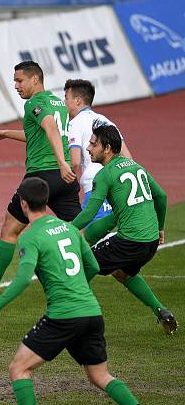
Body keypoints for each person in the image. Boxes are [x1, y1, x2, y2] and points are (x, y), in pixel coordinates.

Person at [0, 177, 163, 405]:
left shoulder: (30, 236)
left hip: (63, 315)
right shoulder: (69, 229)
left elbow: (22, 279)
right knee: (101, 376)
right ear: (46, 201)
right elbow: (91, 264)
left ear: (24, 204)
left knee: (19, 368)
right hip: (91, 312)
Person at [0, 61, 80, 305]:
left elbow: (49, 128)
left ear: (35, 79)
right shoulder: (58, 102)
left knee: (10, 230)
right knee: (78, 232)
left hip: (41, 178)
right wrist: (5, 133)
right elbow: (41, 132)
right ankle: (109, 266)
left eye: (20, 81)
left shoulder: (34, 103)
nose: (16, 86)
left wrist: (61, 162)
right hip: (64, 180)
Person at [71, 124, 178, 335]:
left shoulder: (104, 175)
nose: (88, 148)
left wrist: (67, 229)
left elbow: (90, 213)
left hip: (130, 241)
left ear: (107, 148)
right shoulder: (136, 167)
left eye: (93, 144)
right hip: (150, 243)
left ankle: (69, 317)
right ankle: (161, 310)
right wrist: (161, 229)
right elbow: (162, 197)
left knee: (84, 264)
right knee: (122, 273)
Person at [64, 78, 133, 223]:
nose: (64, 103)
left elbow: (75, 162)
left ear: (77, 101)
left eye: (66, 98)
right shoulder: (105, 120)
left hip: (95, 186)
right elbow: (128, 158)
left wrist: (70, 185)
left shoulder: (75, 123)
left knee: (88, 234)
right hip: (117, 187)